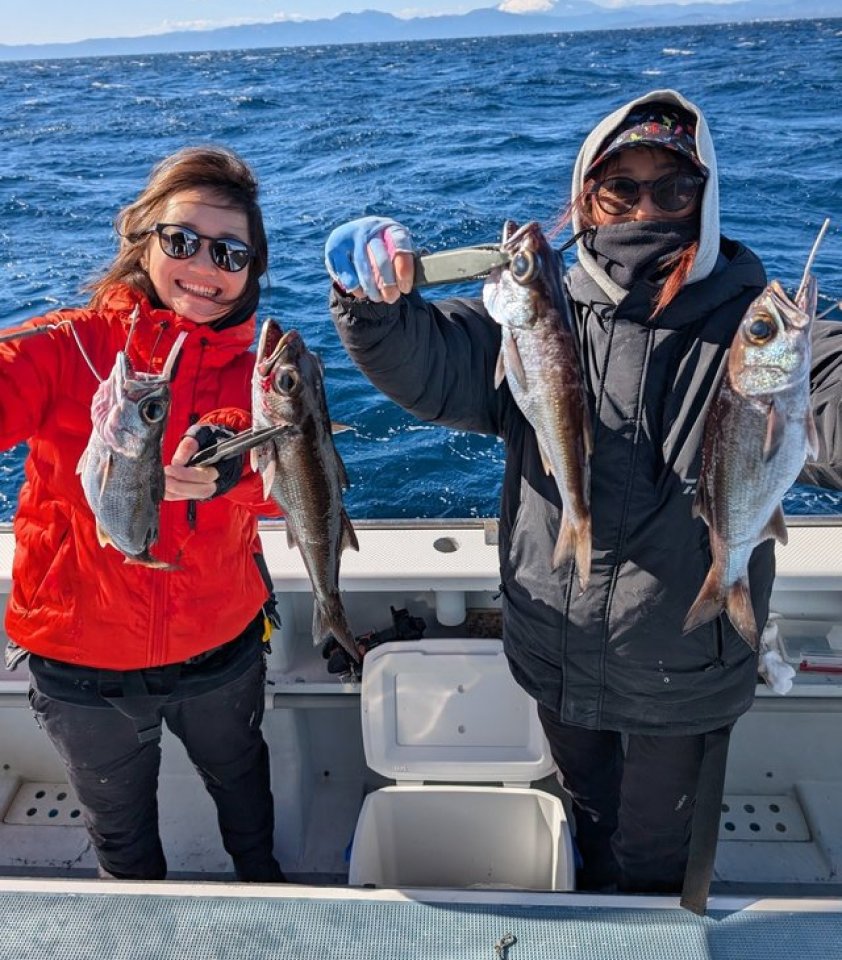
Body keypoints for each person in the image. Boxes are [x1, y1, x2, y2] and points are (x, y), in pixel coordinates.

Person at [324, 89, 842, 895]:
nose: (647, 208)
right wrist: (374, 306)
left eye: (673, 189)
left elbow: (830, 404)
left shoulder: (754, 329)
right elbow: (429, 364)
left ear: (707, 199)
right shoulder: (537, 316)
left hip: (688, 669)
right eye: (620, 189)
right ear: (585, 202)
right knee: (588, 822)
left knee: (658, 870)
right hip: (554, 649)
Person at [0, 145, 286, 883]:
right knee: (120, 835)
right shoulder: (72, 346)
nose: (203, 266)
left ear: (253, 268)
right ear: (142, 238)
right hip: (79, 661)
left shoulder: (266, 371)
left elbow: (295, 481)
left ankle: (266, 893)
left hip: (221, 648)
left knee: (246, 795)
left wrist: (234, 474)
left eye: (229, 252)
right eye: (181, 240)